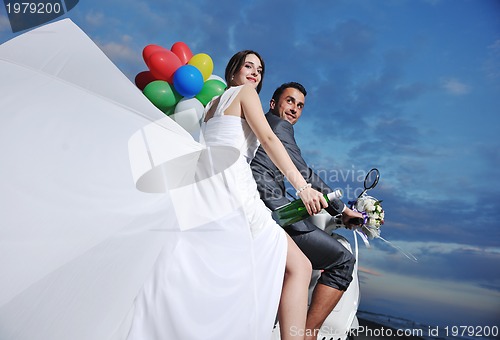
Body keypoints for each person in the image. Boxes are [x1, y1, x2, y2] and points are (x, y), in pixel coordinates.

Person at [251, 82, 363, 340]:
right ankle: (307, 333)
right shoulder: (278, 126)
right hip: (275, 210)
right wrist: (343, 208)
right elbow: (303, 172)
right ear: (272, 104)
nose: (294, 109)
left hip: (266, 201)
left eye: (300, 106)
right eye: (289, 101)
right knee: (343, 261)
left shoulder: (262, 123)